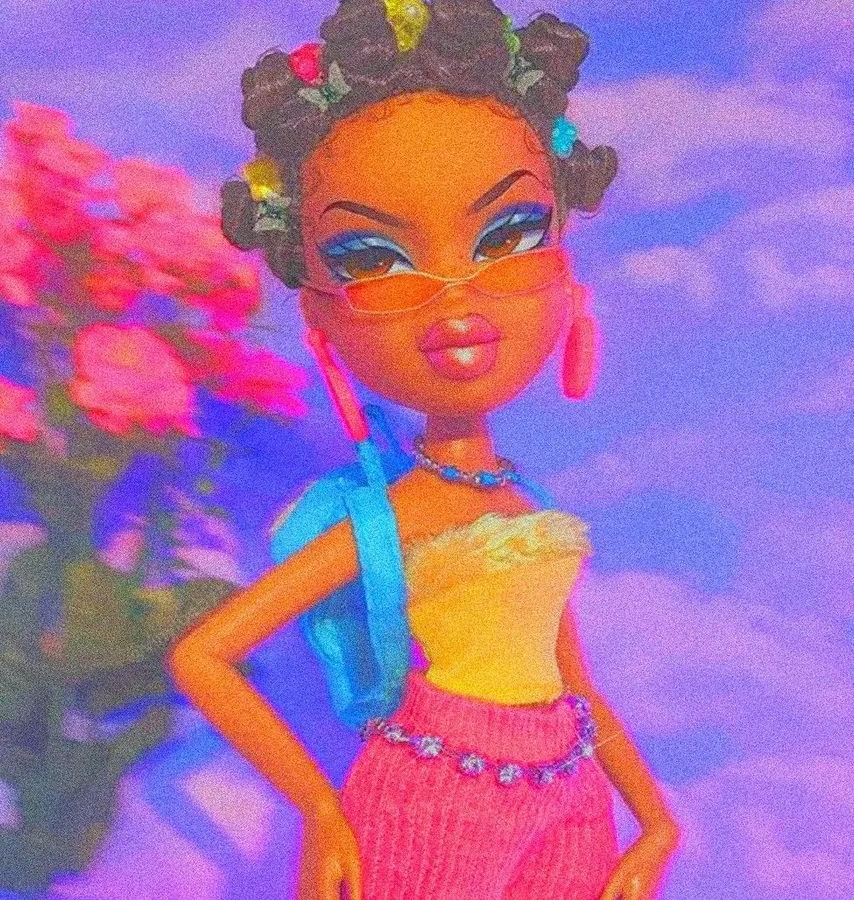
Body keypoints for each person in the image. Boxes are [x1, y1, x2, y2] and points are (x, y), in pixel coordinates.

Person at [167, 1, 680, 898]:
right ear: (320, 314)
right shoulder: (400, 513)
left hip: (570, 792)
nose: (456, 301)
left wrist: (655, 817)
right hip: (436, 794)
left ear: (565, 263)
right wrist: (319, 807)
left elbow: (574, 683)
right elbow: (204, 654)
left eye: (510, 237)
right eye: (373, 259)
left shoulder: (523, 500)